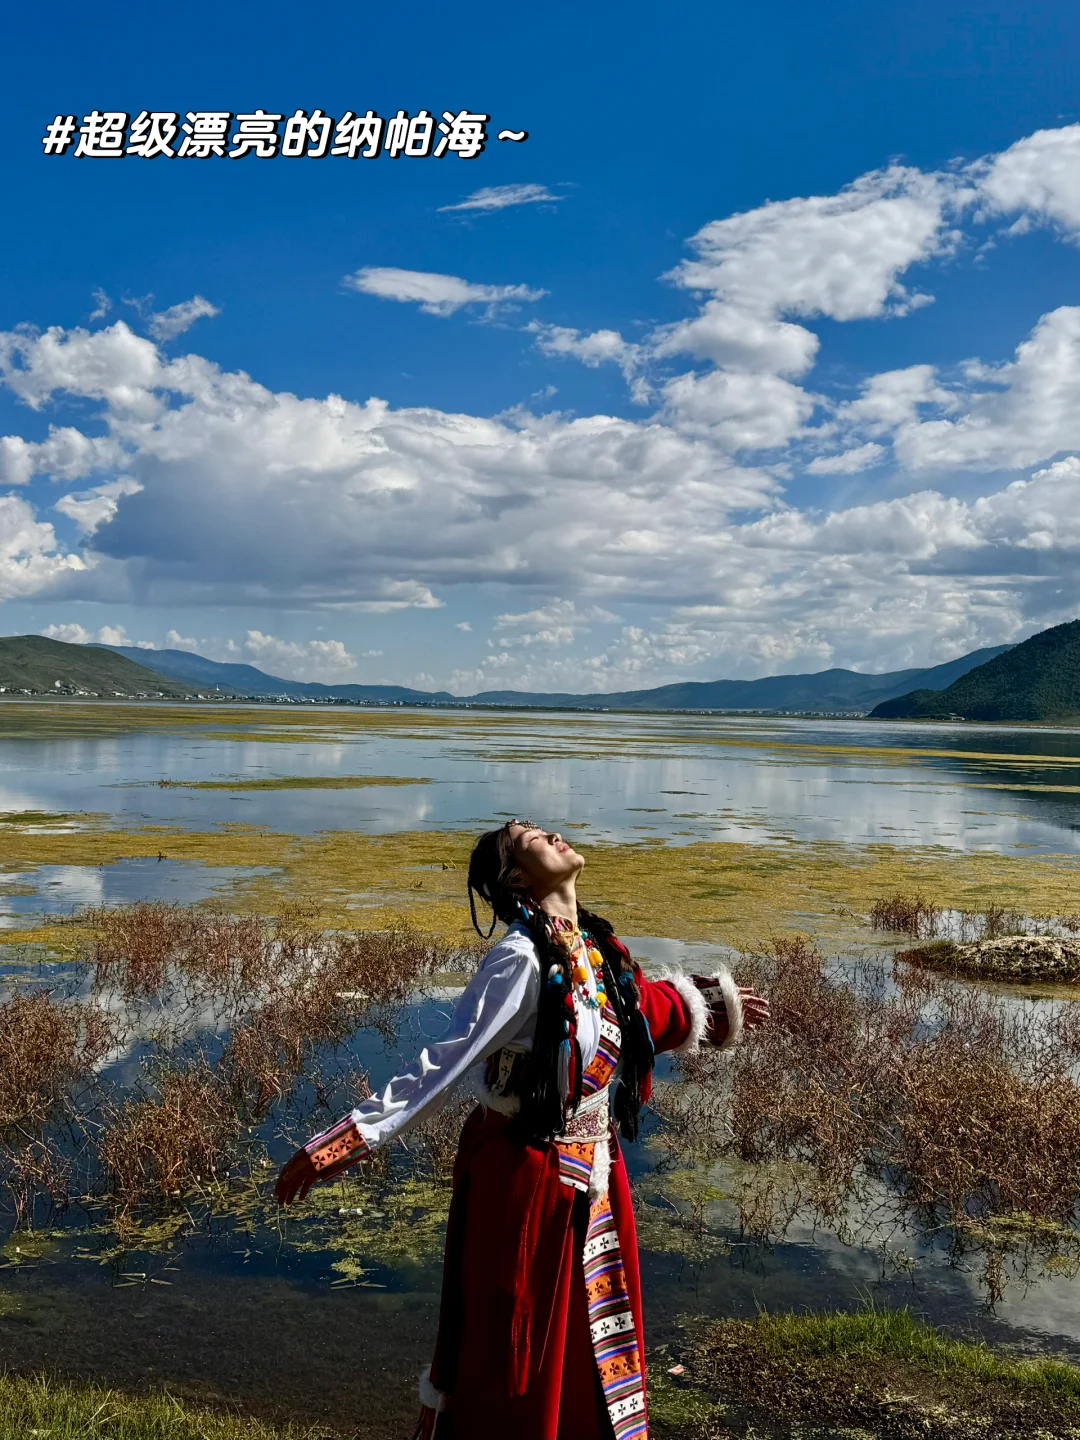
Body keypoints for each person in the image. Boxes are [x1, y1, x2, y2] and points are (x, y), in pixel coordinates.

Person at [275, 821, 769, 1439]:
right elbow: (444, 1060)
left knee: (588, 1341)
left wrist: (705, 1002)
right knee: (514, 1345)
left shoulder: (594, 948)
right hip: (523, 1179)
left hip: (591, 1178)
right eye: (535, 836)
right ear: (517, 877)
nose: (557, 835)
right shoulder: (520, 958)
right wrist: (347, 1142)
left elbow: (636, 1007)